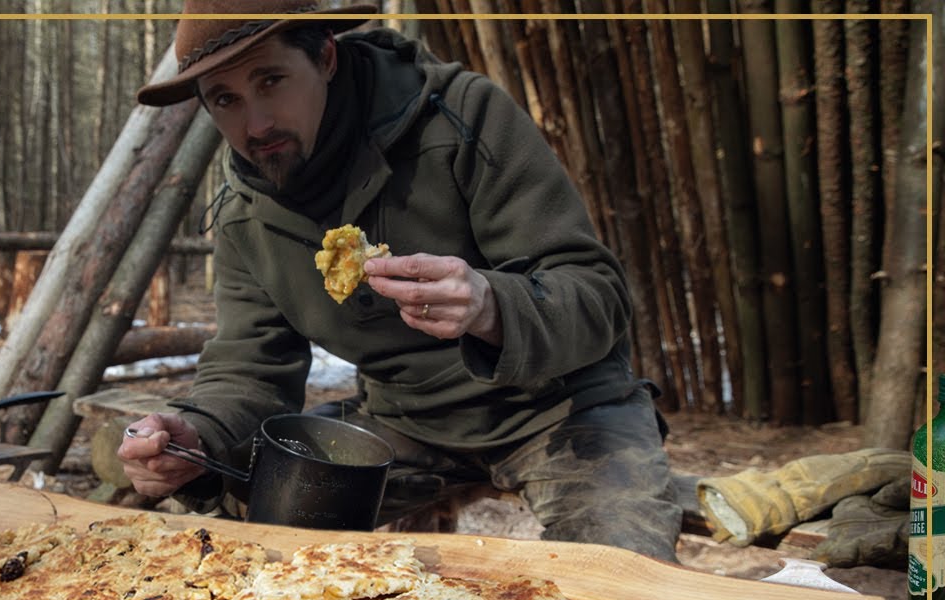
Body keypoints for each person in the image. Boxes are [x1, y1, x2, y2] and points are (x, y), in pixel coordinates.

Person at [118, 0, 683, 562]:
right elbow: (249, 365)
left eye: (272, 80)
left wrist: (492, 306)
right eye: (226, 99)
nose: (256, 122)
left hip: (563, 406)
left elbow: (597, 293)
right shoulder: (244, 214)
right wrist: (198, 432)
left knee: (626, 579)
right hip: (404, 420)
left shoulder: (462, 117)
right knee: (255, 534)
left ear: (327, 57)